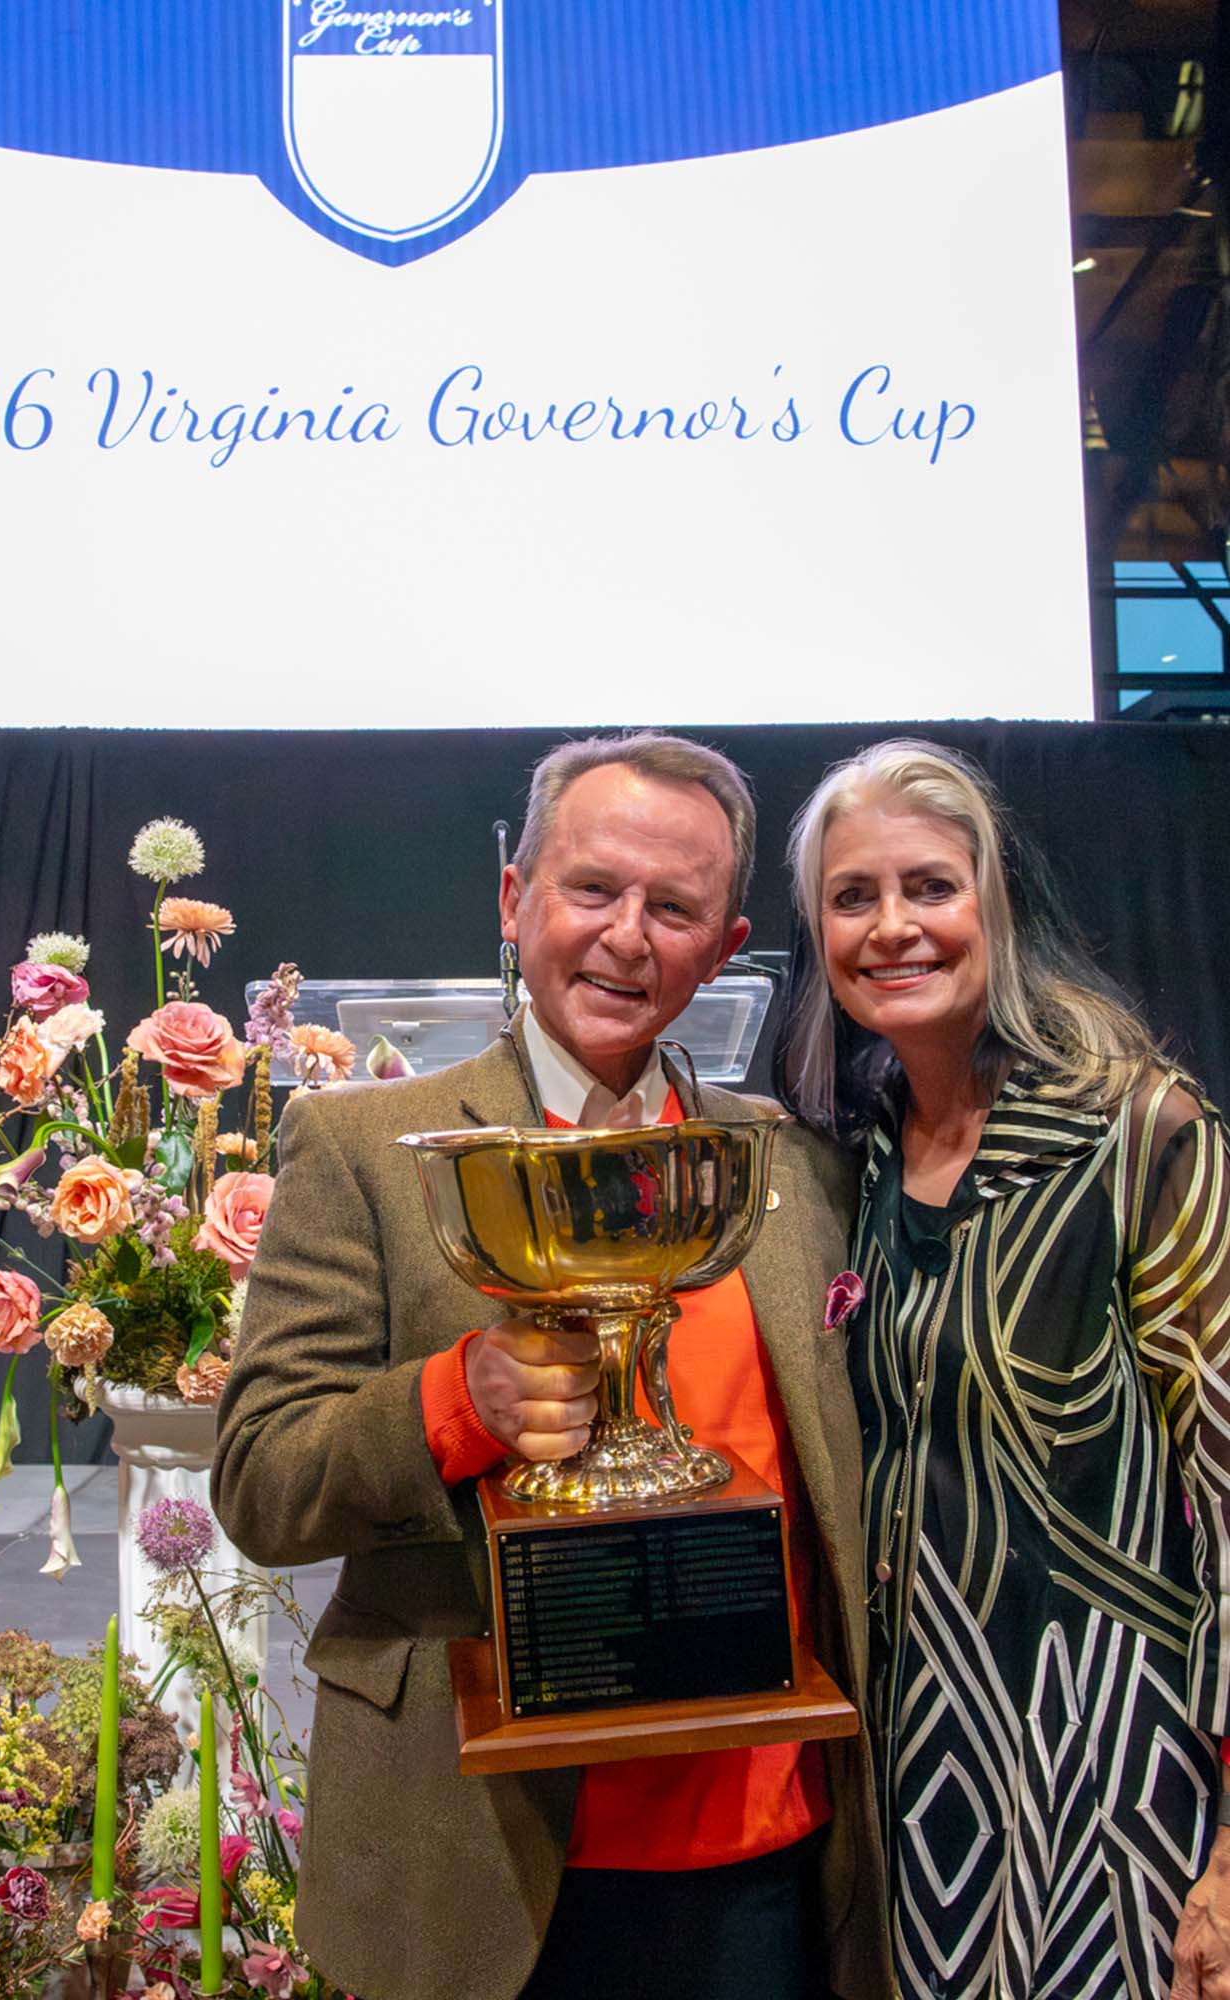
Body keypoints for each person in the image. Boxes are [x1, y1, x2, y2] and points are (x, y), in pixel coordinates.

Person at [213, 730, 889, 2000]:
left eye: (673, 907)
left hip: (766, 1847)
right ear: (515, 898)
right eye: (591, 888)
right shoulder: (364, 1149)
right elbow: (261, 1481)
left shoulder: (792, 1169)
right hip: (479, 1859)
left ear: (724, 945)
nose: (626, 935)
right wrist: (452, 1399)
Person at [778, 736, 1230, 2000]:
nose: (891, 926)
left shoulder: (1139, 1133)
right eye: (851, 896)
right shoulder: (861, 1151)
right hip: (919, 1782)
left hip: (1119, 1776)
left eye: (929, 885)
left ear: (996, 902)